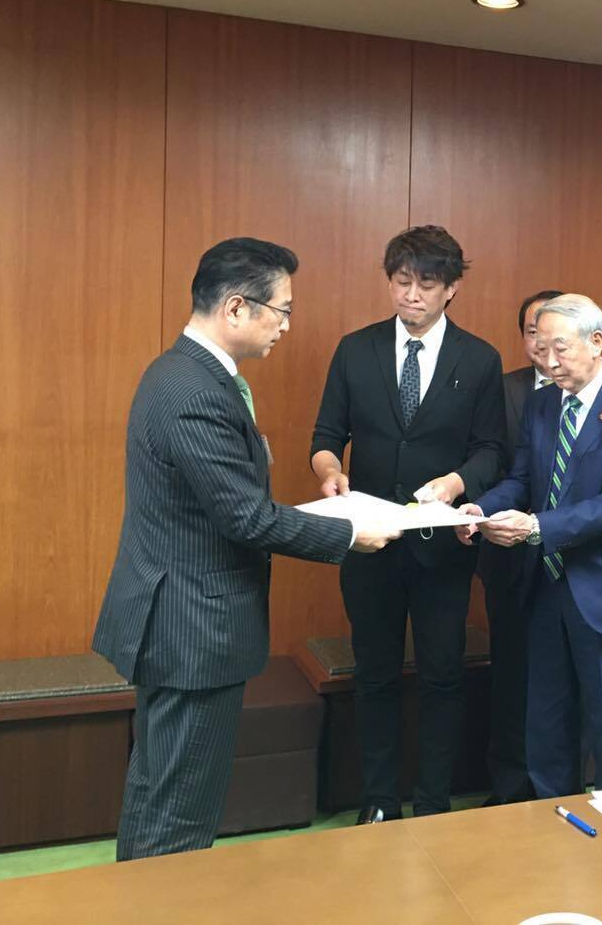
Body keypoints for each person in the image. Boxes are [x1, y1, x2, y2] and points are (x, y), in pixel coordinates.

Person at [93, 237, 397, 860]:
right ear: (236, 307)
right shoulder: (195, 391)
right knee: (179, 810)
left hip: (178, 619)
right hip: (191, 628)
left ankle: (145, 898)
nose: (286, 326)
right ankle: (160, 903)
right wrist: (349, 532)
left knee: (161, 791)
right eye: (281, 311)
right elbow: (245, 517)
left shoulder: (182, 373)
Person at [310, 225, 508, 823]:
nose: (411, 295)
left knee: (443, 675)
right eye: (401, 281)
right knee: (374, 675)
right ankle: (378, 802)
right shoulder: (356, 349)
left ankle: (432, 803)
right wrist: (328, 471)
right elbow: (327, 436)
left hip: (441, 549)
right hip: (369, 544)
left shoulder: (479, 358)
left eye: (426, 283)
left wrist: (456, 482)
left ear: (451, 288)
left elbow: (491, 449)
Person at [457, 295, 602, 795]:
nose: (548, 361)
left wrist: (535, 528)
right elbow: (522, 479)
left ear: (596, 342)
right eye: (540, 347)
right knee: (546, 727)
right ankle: (553, 823)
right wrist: (480, 508)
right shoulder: (542, 403)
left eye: (560, 349)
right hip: (545, 587)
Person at [477, 288, 562, 806]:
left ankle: (557, 781)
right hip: (505, 555)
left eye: (552, 333)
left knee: (560, 677)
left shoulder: (601, 394)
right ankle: (508, 785)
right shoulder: (501, 388)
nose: (542, 344)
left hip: (567, 555)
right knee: (509, 673)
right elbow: (489, 459)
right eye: (533, 332)